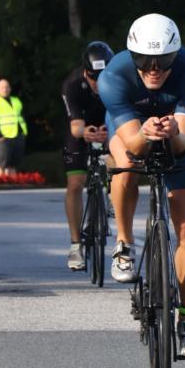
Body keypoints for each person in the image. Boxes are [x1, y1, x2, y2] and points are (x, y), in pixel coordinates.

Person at [99, 13, 185, 359]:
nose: (153, 68)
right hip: (132, 130)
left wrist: (172, 131)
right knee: (126, 165)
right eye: (144, 61)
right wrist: (145, 133)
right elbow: (132, 144)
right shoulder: (113, 76)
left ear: (175, 56)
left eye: (163, 61)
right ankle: (124, 244)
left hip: (176, 133)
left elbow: (182, 146)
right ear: (132, 57)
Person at [61, 41, 115, 270]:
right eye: (93, 77)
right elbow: (75, 127)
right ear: (85, 72)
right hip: (82, 128)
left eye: (102, 77)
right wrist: (86, 133)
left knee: (119, 162)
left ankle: (114, 197)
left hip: (109, 126)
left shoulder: (119, 82)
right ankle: (76, 246)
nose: (97, 83)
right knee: (75, 183)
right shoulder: (73, 84)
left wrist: (109, 135)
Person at [0, 79, 28, 176]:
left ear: (10, 88)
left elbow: (21, 116)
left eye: (6, 87)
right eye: (2, 87)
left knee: (13, 163)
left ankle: (12, 186)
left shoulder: (16, 100)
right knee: (1, 163)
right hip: (3, 137)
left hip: (18, 135)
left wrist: (23, 133)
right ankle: (0, 185)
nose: (5, 89)